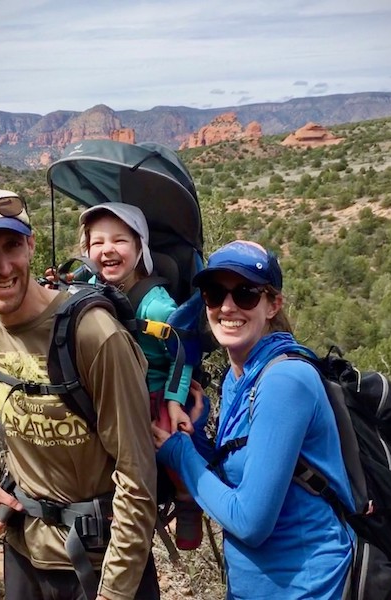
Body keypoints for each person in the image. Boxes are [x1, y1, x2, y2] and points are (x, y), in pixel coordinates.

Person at [0, 188, 159, 600]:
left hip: (100, 563)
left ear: (30, 245)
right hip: (23, 553)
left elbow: (137, 478)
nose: (3, 265)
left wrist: (114, 594)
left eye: (12, 245)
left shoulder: (93, 335)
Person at [152, 240, 355, 599]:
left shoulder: (284, 381)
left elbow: (250, 522)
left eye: (245, 294)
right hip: (253, 587)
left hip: (307, 587)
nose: (228, 306)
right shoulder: (238, 377)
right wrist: (197, 436)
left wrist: (180, 453)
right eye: (215, 293)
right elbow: (234, 484)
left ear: (273, 304)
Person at [78, 203, 204, 551]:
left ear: (139, 249)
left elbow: (182, 354)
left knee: (171, 434)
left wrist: (176, 401)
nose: (108, 250)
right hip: (105, 392)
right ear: (86, 250)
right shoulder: (84, 289)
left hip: (151, 392)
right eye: (97, 242)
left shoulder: (156, 304)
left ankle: (184, 496)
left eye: (120, 241)